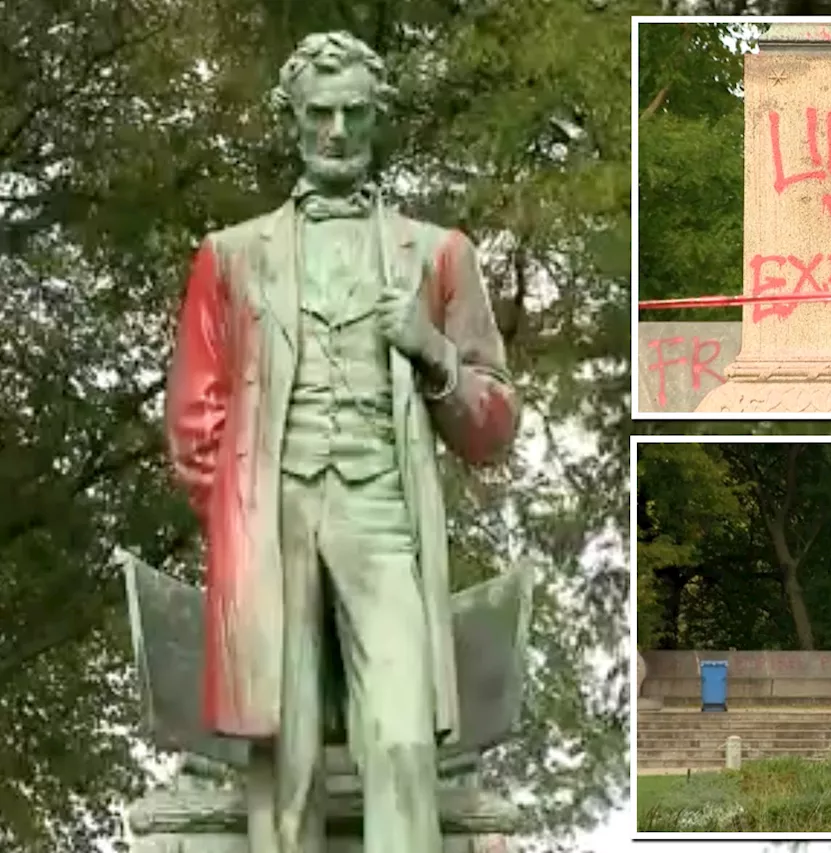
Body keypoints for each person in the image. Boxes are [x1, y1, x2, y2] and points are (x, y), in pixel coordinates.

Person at [164, 31, 518, 853]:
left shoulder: (437, 255)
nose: (335, 130)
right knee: (282, 763)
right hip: (270, 514)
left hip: (382, 512)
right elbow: (194, 427)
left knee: (401, 739)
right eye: (319, 113)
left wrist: (432, 351)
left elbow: (494, 422)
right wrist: (243, 518)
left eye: (353, 113)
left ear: (375, 120)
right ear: (291, 118)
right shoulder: (229, 257)